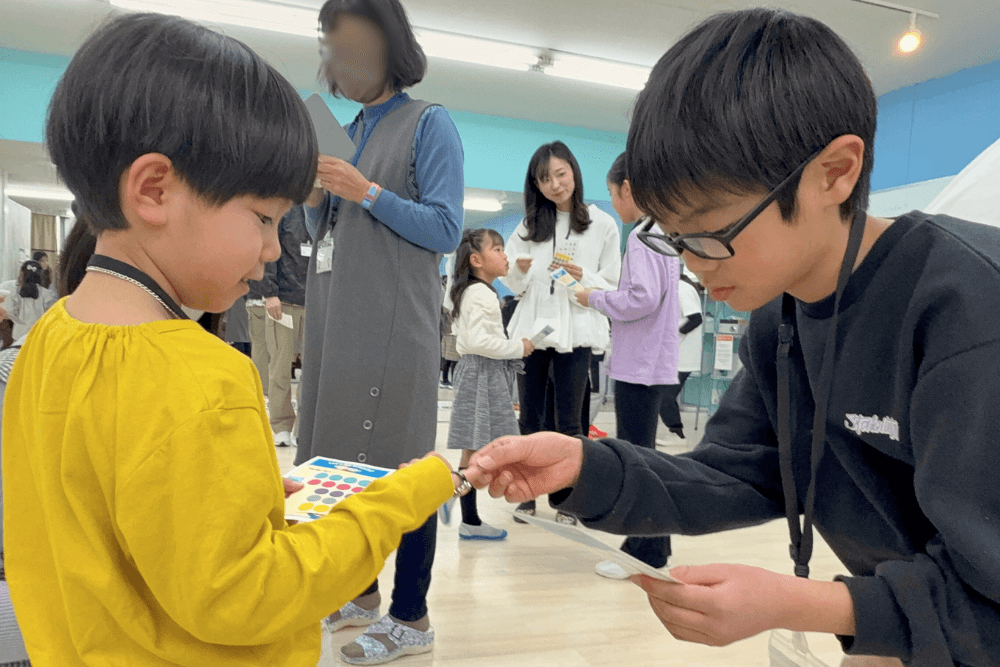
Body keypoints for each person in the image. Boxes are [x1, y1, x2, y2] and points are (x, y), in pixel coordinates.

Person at [466, 8, 1000, 666]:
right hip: (918, 619)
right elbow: (736, 473)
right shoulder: (782, 319)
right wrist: (585, 464)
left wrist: (797, 602)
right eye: (673, 235)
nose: (690, 260)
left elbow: (989, 594)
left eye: (711, 231)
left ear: (835, 171)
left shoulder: (969, 311)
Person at [1, 14, 467, 667]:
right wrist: (409, 493)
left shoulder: (47, 341)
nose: (275, 249)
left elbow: (102, 504)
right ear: (154, 189)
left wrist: (237, 495)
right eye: (263, 219)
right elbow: (251, 594)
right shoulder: (206, 378)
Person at [294, 0, 465, 663]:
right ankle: (359, 591)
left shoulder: (430, 123)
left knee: (401, 466)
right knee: (336, 457)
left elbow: (445, 228)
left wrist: (365, 190)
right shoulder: (347, 129)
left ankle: (411, 614)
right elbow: (327, 237)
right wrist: (316, 201)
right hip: (337, 321)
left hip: (396, 327)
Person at [501, 141, 621, 523]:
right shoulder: (528, 226)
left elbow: (612, 284)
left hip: (577, 326)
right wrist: (519, 271)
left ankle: (568, 498)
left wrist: (580, 276)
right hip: (534, 329)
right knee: (529, 416)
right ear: (535, 185)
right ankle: (526, 494)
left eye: (560, 174)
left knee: (570, 420)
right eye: (544, 179)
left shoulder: (601, 224)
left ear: (574, 172)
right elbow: (514, 284)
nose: (554, 184)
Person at [574, 152, 680, 580]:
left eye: (613, 194)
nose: (614, 205)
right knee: (645, 454)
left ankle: (645, 552)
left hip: (639, 363)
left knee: (637, 458)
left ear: (628, 189)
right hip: (654, 359)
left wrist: (593, 298)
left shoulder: (641, 236)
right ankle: (654, 542)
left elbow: (640, 299)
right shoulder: (666, 234)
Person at [447, 229, 533, 540]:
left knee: (476, 449)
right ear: (477, 260)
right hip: (481, 374)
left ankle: (467, 516)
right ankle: (451, 499)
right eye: (497, 249)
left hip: (483, 373)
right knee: (479, 451)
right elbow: (478, 341)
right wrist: (517, 348)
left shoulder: (473, 291)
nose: (505, 254)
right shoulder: (481, 293)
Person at [247, 205, 310, 447]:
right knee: (280, 365)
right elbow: (270, 255)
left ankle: (303, 427)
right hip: (283, 301)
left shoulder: (326, 211)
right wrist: (270, 293)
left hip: (315, 302)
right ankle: (281, 424)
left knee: (311, 369)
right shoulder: (285, 212)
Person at [657, 268, 704, 445]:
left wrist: (673, 335)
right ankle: (676, 433)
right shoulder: (674, 287)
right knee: (662, 396)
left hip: (682, 355)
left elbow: (695, 319)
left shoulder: (681, 288)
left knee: (664, 397)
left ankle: (677, 435)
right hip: (675, 354)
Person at [4, 261, 57, 339]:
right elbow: (52, 316)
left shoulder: (15, 293)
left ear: (22, 275)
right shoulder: (48, 294)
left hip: (19, 337)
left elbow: (8, 312)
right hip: (39, 337)